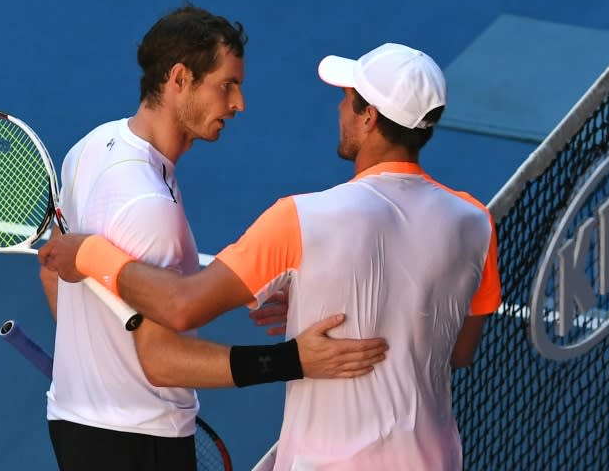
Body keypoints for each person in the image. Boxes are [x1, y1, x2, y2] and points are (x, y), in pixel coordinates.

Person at [40, 42, 502, 470]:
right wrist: (322, 300)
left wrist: (90, 254)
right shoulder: (476, 222)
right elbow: (457, 349)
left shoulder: (301, 218)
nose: (340, 108)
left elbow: (181, 305)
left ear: (368, 117)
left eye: (347, 98)